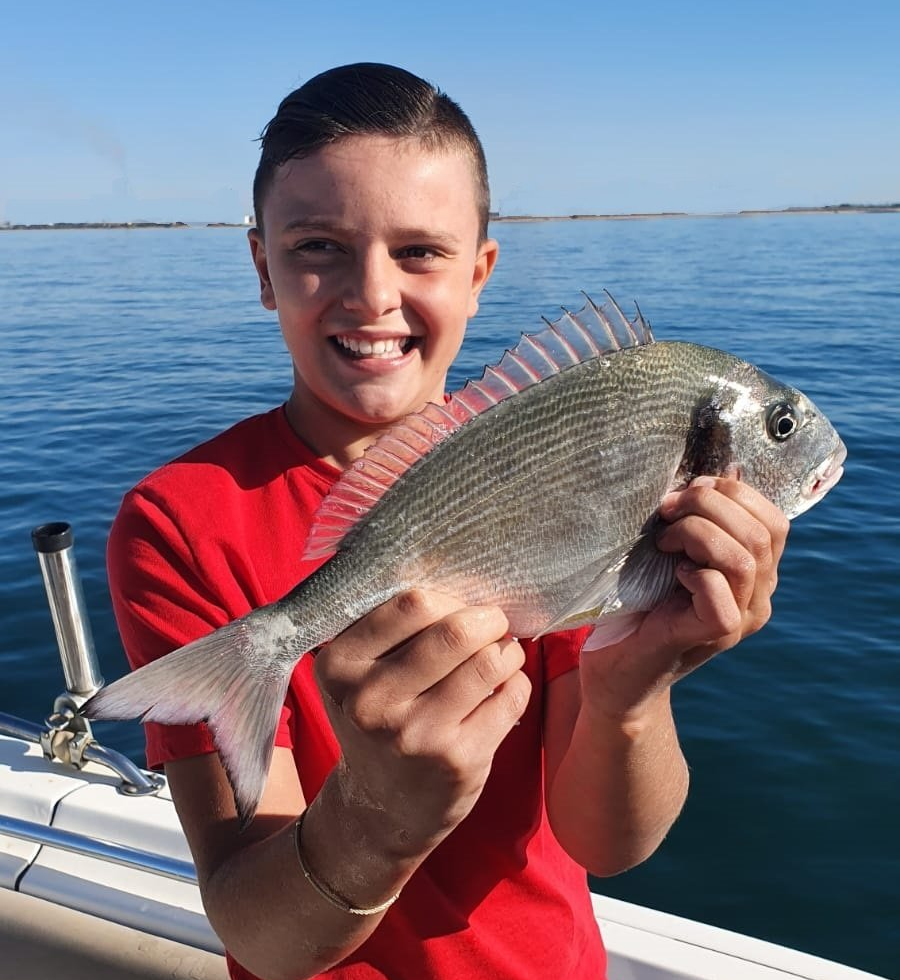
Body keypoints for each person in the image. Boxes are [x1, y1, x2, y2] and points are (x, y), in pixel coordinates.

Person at [107, 63, 789, 980]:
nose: (372, 294)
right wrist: (377, 814)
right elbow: (260, 939)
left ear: (479, 274)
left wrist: (633, 689)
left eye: (420, 251)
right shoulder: (181, 521)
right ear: (264, 268)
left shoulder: (563, 466)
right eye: (318, 246)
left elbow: (605, 845)